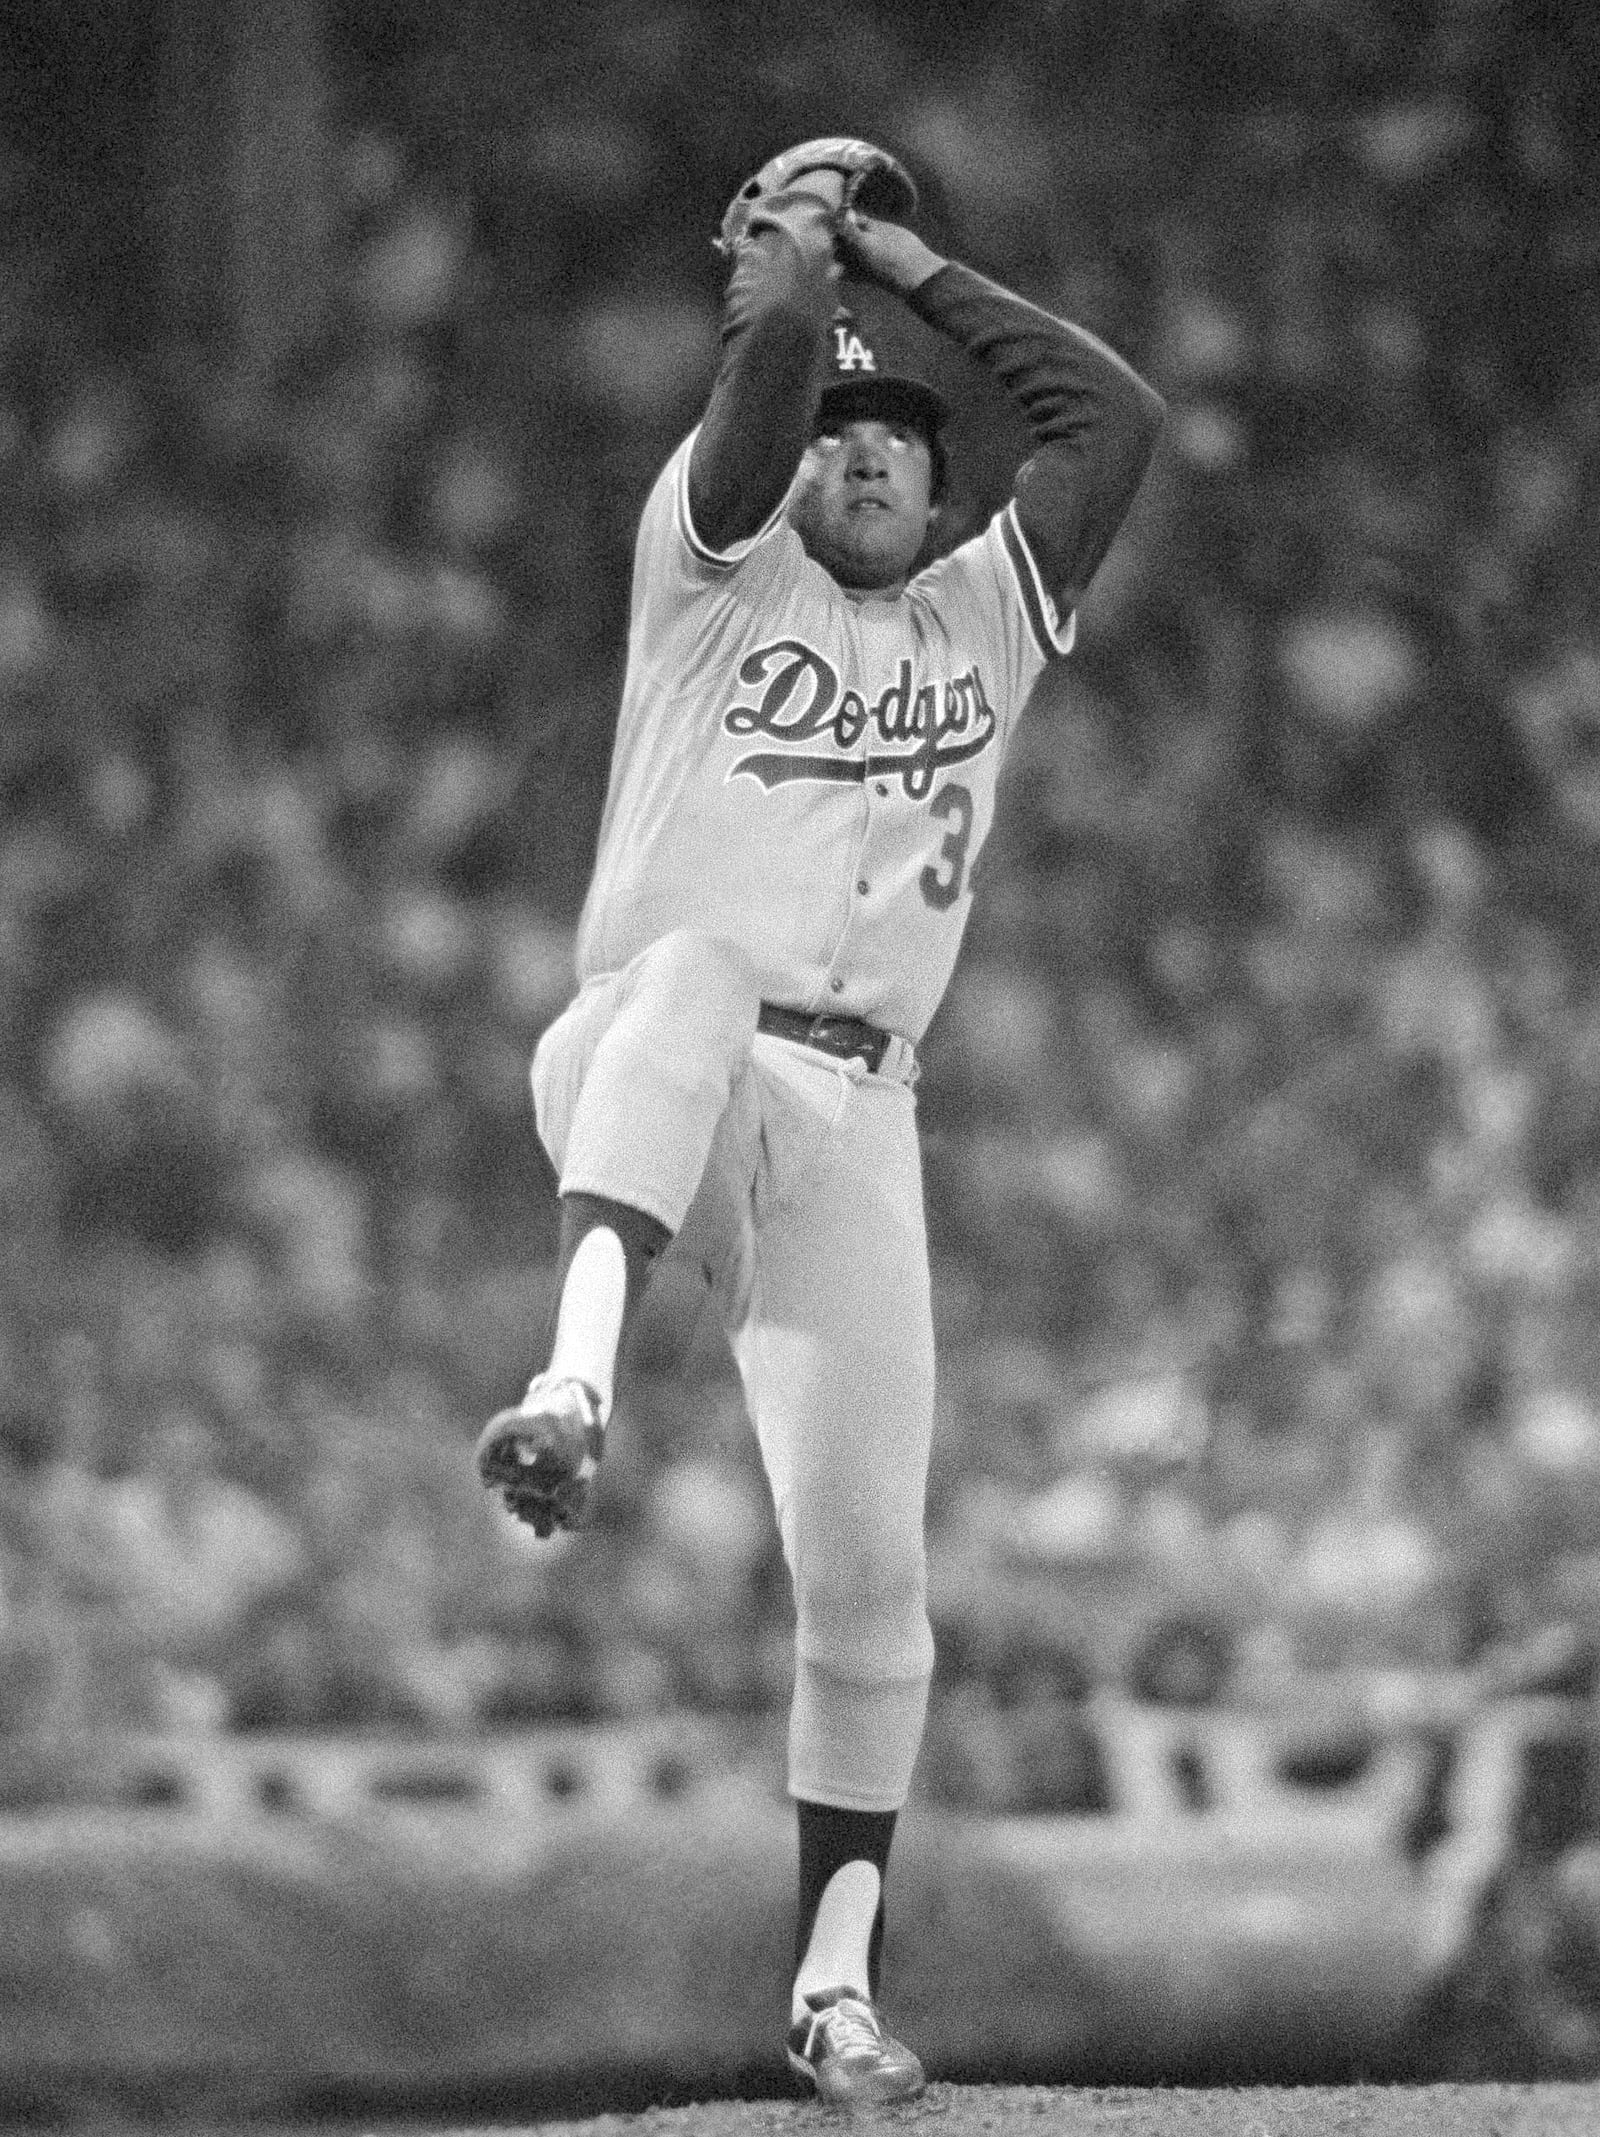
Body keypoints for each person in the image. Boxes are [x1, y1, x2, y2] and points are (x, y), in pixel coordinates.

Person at [477, 138, 1164, 2106]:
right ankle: (575, 1391)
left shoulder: (985, 623)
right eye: (834, 437)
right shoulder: (705, 563)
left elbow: (1111, 421)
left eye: (896, 442)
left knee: (872, 1584)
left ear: (946, 495)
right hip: (637, 1061)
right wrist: (800, 269)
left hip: (854, 1113)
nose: (857, 453)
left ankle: (834, 1983)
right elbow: (772, 356)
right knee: (697, 964)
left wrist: (909, 267)